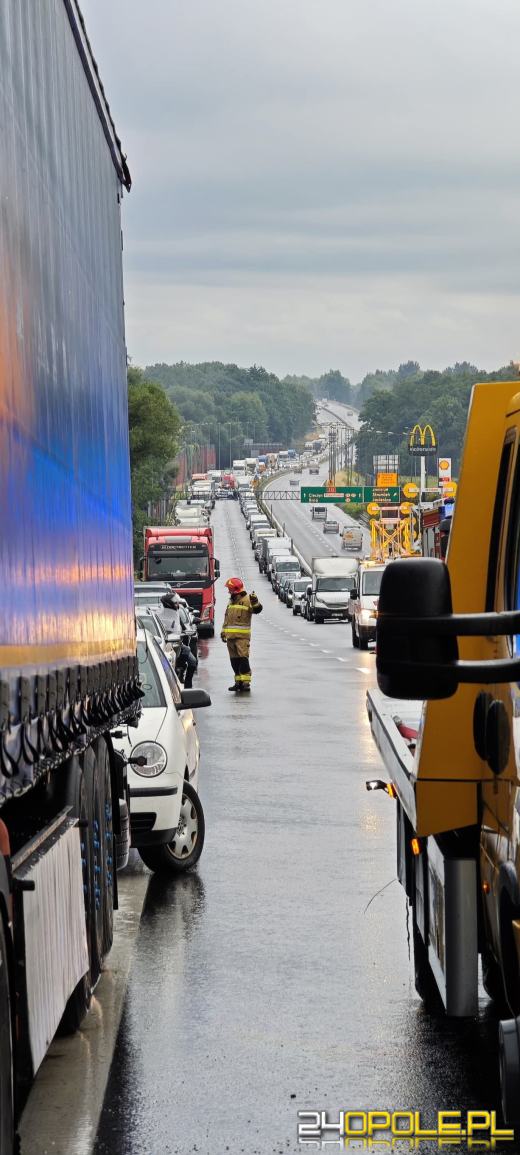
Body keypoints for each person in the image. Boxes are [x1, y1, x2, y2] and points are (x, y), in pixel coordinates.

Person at [221, 577, 262, 692]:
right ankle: (238, 682)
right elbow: (226, 618)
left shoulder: (248, 599)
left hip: (242, 638)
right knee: (234, 662)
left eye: (230, 589)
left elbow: (257, 610)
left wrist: (255, 602)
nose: (228, 591)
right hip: (230, 638)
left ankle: (245, 683)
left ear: (235, 590)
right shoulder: (231, 601)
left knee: (243, 660)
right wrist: (223, 632)